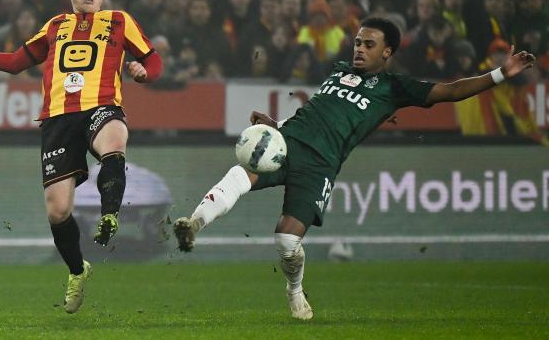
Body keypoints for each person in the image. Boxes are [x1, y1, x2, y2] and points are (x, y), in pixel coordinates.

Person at [173, 17, 535, 320]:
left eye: (369, 44)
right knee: (241, 173)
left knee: (286, 240)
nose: (359, 48)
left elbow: (451, 90)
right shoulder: (339, 71)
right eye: (358, 42)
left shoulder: (394, 88)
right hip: (289, 143)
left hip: (321, 166)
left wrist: (502, 73)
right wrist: (275, 124)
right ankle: (194, 223)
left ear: (387, 52)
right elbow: (317, 111)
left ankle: (295, 289)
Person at [0, 0, 163, 314]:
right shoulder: (54, 26)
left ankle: (110, 215)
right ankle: (78, 270)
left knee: (114, 139)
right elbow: (16, 63)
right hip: (58, 120)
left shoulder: (120, 21)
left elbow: (153, 59)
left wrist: (145, 73)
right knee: (58, 211)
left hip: (101, 106)